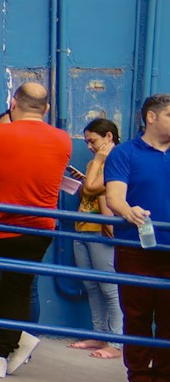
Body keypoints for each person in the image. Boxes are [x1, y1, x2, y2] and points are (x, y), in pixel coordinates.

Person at [0, 82, 70, 378]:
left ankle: (9, 343)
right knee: (18, 288)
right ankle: (4, 351)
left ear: (13, 104)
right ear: (46, 108)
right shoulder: (63, 139)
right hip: (39, 228)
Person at [103, 94, 170, 382]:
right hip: (135, 248)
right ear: (151, 117)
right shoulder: (125, 153)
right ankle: (140, 377)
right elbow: (115, 197)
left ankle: (165, 380)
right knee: (136, 315)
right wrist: (128, 211)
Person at [69, 118, 124, 358]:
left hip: (102, 231)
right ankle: (99, 334)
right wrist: (86, 176)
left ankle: (116, 341)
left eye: (93, 141)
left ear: (109, 137)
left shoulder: (117, 160)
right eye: (87, 142)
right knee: (91, 285)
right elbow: (88, 191)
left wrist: (98, 163)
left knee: (109, 287)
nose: (90, 146)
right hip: (83, 227)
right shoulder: (95, 162)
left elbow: (94, 189)